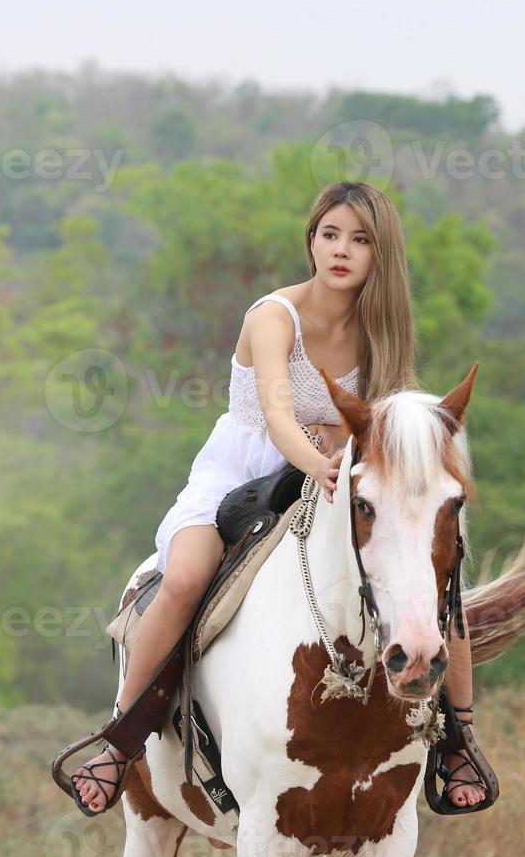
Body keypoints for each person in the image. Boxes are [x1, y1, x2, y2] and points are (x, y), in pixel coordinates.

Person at [70, 181, 488, 814]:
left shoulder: (384, 334)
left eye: (360, 239)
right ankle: (121, 737)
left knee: (434, 583)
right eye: (329, 235)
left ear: (382, 255)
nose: (341, 250)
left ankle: (457, 737)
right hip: (241, 479)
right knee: (185, 577)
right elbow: (277, 411)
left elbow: (385, 430)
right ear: (311, 241)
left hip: (329, 482)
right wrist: (322, 456)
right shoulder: (273, 316)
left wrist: (367, 464)